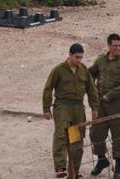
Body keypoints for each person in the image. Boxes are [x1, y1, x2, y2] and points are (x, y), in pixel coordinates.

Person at [43, 42, 99, 179]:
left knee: (76, 140)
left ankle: (74, 171)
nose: (79, 60)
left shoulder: (83, 70)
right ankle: (60, 168)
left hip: (78, 108)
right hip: (62, 106)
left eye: (81, 57)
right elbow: (48, 88)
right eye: (76, 57)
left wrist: (94, 107)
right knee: (61, 135)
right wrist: (46, 108)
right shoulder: (59, 70)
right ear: (69, 55)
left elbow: (91, 88)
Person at [89, 33, 120, 178]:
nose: (118, 48)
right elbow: (90, 74)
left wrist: (110, 95)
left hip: (118, 105)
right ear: (108, 45)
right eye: (115, 46)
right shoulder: (100, 60)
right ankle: (102, 160)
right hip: (101, 104)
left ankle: (118, 166)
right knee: (96, 133)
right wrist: (93, 89)